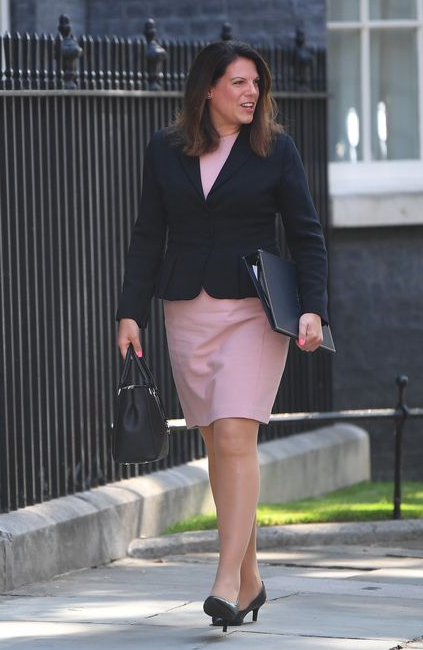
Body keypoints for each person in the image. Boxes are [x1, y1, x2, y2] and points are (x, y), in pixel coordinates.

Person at [114, 41, 329, 631]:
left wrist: (314, 309)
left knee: (237, 432)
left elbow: (307, 234)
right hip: (188, 310)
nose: (250, 93)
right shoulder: (166, 149)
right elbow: (146, 233)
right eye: (237, 82)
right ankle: (253, 577)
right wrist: (130, 312)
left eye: (256, 83)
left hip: (254, 313)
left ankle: (225, 580)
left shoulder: (275, 150)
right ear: (207, 89)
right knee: (217, 443)